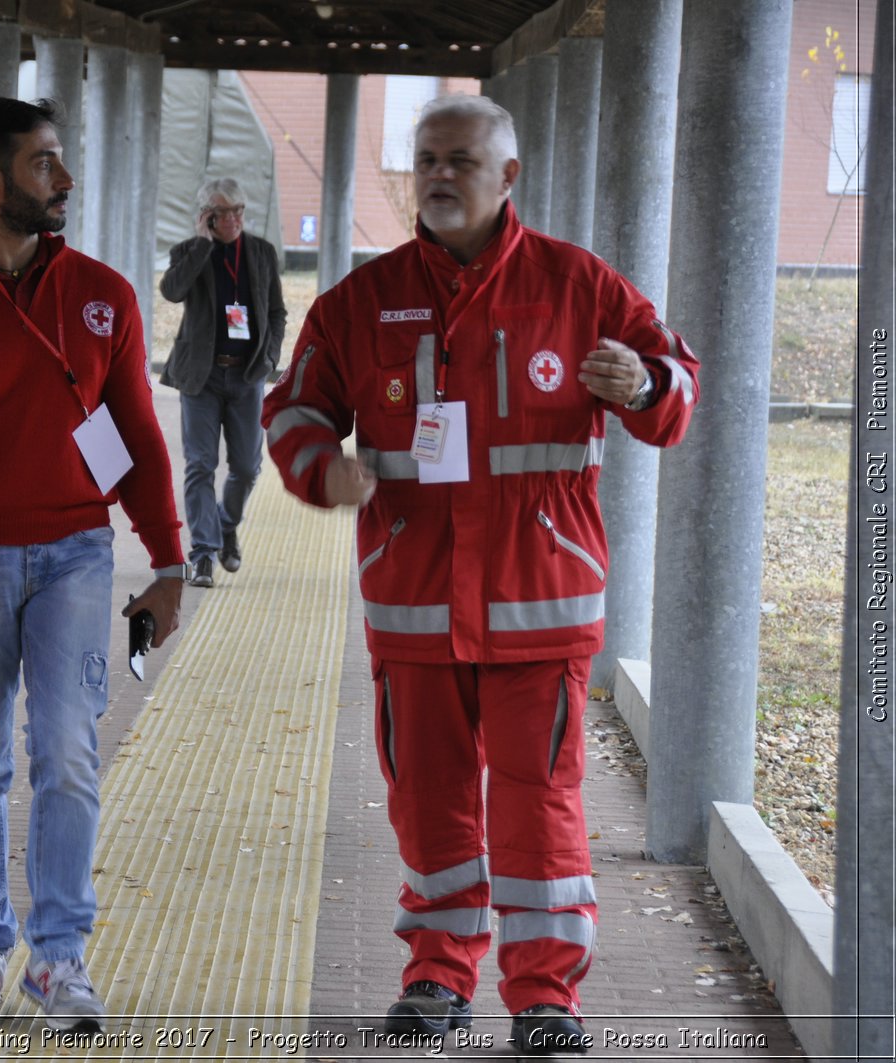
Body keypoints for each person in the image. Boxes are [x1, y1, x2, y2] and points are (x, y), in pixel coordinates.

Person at [262, 94, 699, 1055]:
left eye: (461, 159)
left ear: (508, 177)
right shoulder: (361, 301)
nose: (439, 175)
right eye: (425, 158)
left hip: (541, 601)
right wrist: (320, 471)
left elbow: (677, 389)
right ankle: (436, 976)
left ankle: (546, 997)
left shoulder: (579, 286)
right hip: (413, 603)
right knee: (430, 799)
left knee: (536, 801)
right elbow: (292, 409)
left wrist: (646, 382)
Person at [0, 97, 187, 1034]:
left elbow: (133, 431)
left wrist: (169, 561)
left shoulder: (103, 292)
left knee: (67, 752)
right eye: (45, 163)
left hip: (76, 559)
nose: (64, 179)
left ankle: (57, 960)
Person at [158, 178, 287, 588]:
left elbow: (278, 311)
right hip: (203, 374)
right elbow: (172, 291)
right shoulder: (190, 252)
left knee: (248, 466)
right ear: (207, 217)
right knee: (200, 465)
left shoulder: (262, 253)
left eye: (238, 211)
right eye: (222, 212)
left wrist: (269, 359)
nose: (232, 220)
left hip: (247, 374)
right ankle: (203, 553)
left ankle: (225, 525)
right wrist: (201, 245)